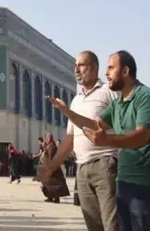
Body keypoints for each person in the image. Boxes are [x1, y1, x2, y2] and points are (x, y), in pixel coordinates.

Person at [47, 50, 150, 231]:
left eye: (111, 67)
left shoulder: (146, 97)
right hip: (124, 181)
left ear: (125, 72)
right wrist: (67, 112)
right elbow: (94, 124)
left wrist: (107, 140)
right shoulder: (117, 104)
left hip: (145, 183)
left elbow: (142, 135)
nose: (106, 72)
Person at [38, 50, 118, 231]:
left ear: (94, 68)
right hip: (82, 169)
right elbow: (70, 138)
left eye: (81, 65)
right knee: (94, 225)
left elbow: (121, 126)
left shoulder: (108, 92)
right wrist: (51, 167)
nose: (76, 70)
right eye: (75, 66)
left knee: (112, 224)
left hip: (105, 164)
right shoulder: (76, 100)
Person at [35, 133, 70, 203]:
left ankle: (55, 198)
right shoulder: (49, 145)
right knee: (48, 184)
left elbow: (51, 156)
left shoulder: (52, 146)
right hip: (51, 168)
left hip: (53, 168)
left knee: (54, 184)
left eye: (47, 138)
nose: (46, 139)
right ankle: (50, 197)